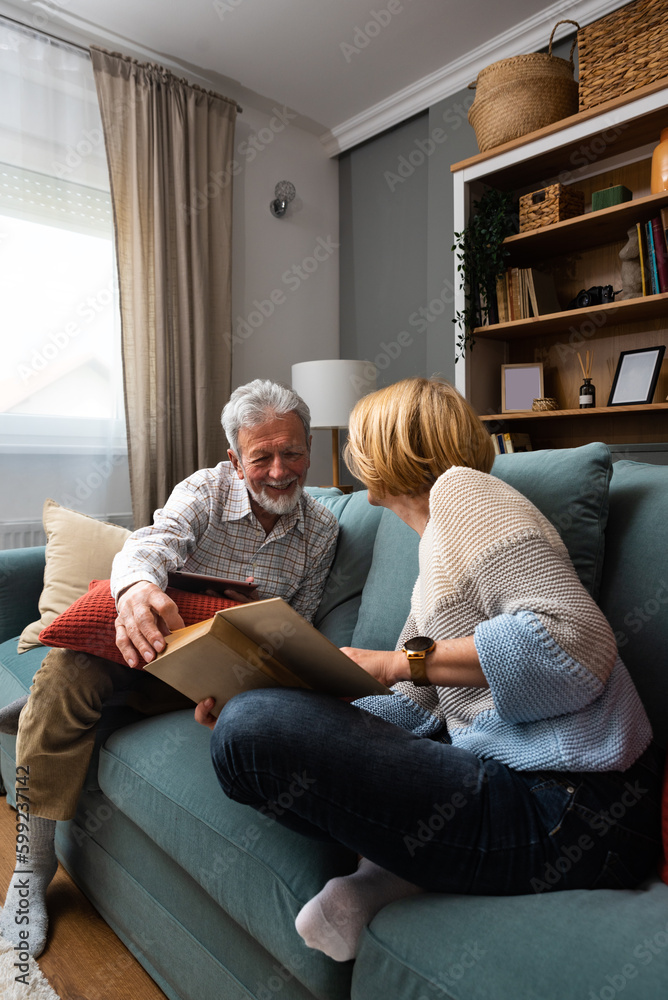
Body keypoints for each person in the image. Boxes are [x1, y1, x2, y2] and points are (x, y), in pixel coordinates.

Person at [195, 376, 662, 963]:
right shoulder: (433, 554)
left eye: (361, 438)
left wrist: (397, 662)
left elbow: (576, 645)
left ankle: (392, 871)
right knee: (249, 729)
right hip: (533, 793)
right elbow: (415, 709)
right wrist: (300, 702)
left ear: (392, 446)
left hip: (578, 804)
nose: (352, 453)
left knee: (252, 729)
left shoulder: (466, 493)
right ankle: (399, 872)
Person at [0, 378, 339, 957]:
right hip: (150, 647)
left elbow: (296, 626)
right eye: (262, 457)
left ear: (311, 447)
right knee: (65, 672)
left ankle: (38, 714)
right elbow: (151, 544)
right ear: (235, 459)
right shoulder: (205, 491)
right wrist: (135, 591)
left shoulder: (323, 530)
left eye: (293, 452)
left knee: (60, 700)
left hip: (217, 673)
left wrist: (256, 681)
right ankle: (32, 868)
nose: (281, 471)